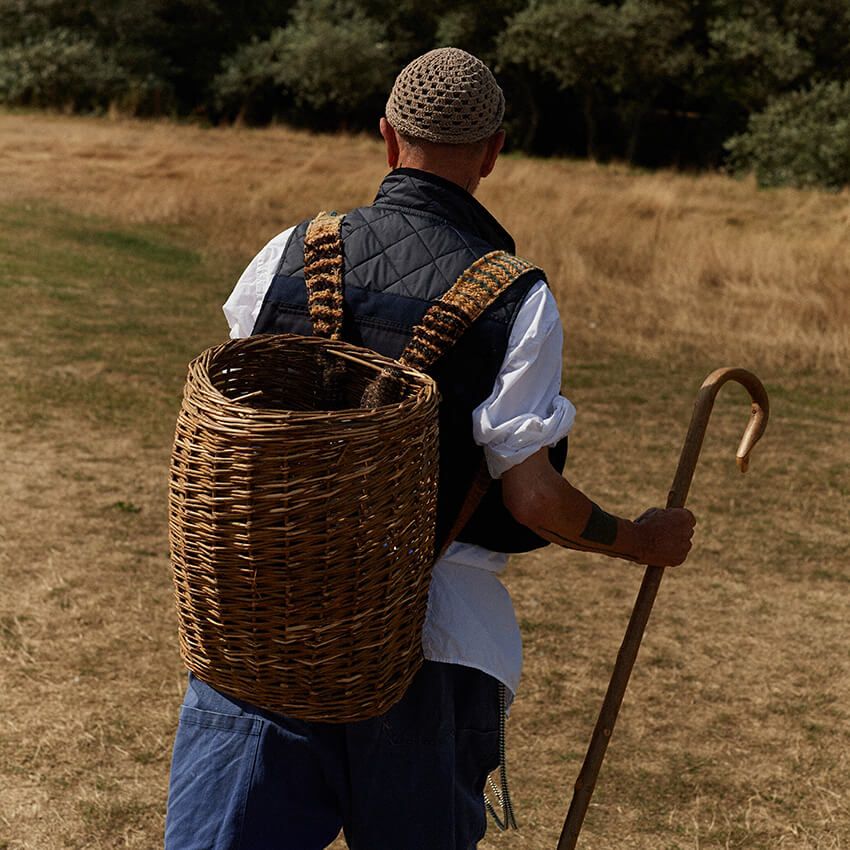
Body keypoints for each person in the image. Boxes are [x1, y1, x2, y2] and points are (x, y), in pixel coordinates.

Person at [164, 47, 695, 850]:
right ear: (492, 153)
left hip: (267, 624)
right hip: (432, 646)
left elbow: (242, 424)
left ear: (386, 138)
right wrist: (640, 540)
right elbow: (535, 501)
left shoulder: (289, 251)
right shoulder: (517, 297)